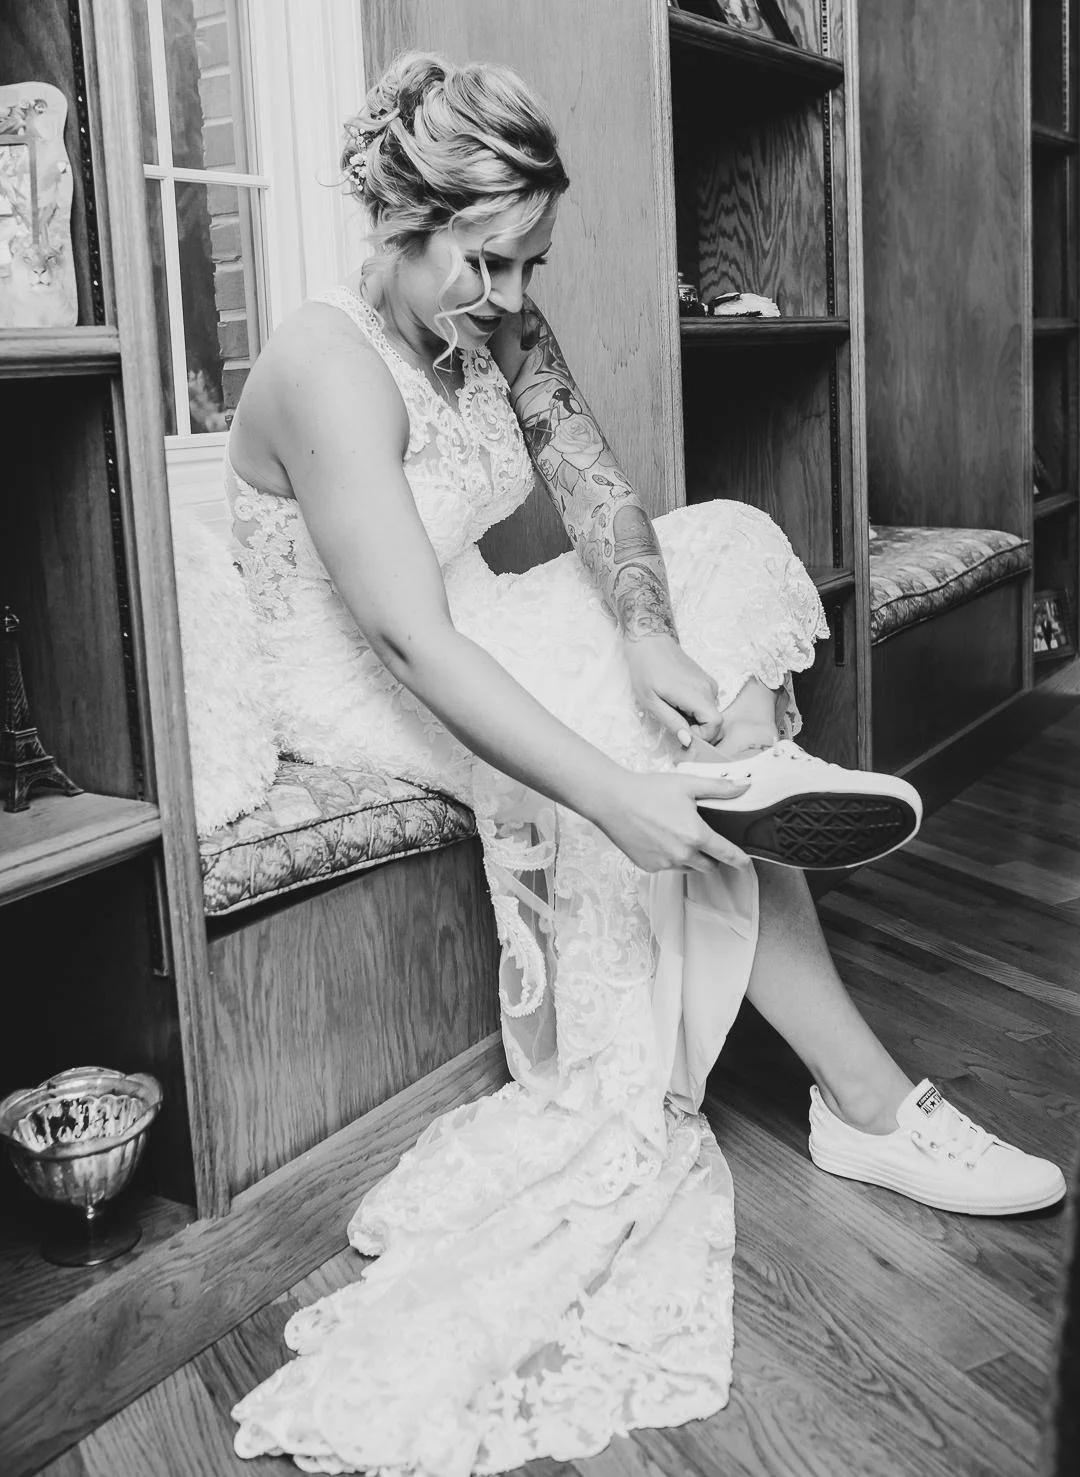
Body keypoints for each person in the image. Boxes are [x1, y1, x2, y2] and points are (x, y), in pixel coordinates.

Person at [225, 53, 1065, 1475]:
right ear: (400, 221)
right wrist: (612, 798)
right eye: (489, 264)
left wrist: (648, 632)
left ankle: (745, 779)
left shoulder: (494, 320)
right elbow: (411, 642)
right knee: (633, 755)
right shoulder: (321, 361)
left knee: (722, 538)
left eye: (531, 262)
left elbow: (601, 488)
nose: (510, 295)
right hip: (366, 674)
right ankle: (867, 1099)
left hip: (466, 615)